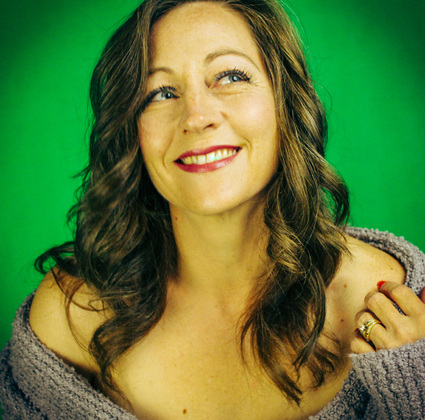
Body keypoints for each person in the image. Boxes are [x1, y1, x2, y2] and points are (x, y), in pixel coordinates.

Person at [1, 0, 425, 418]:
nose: (196, 116)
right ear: (132, 131)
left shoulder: (400, 306)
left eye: (230, 76)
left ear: (286, 105)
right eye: (160, 92)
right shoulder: (68, 319)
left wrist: (413, 386)